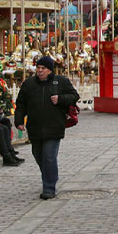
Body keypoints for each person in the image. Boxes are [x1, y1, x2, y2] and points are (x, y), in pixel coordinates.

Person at [14, 56, 79, 199]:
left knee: (49, 157)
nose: (39, 70)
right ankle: (50, 176)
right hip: (35, 128)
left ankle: (49, 188)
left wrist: (60, 99)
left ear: (50, 70)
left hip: (54, 127)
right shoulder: (29, 84)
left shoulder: (61, 82)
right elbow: (21, 104)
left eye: (43, 68)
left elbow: (74, 96)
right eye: (38, 68)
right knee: (39, 156)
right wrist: (18, 121)